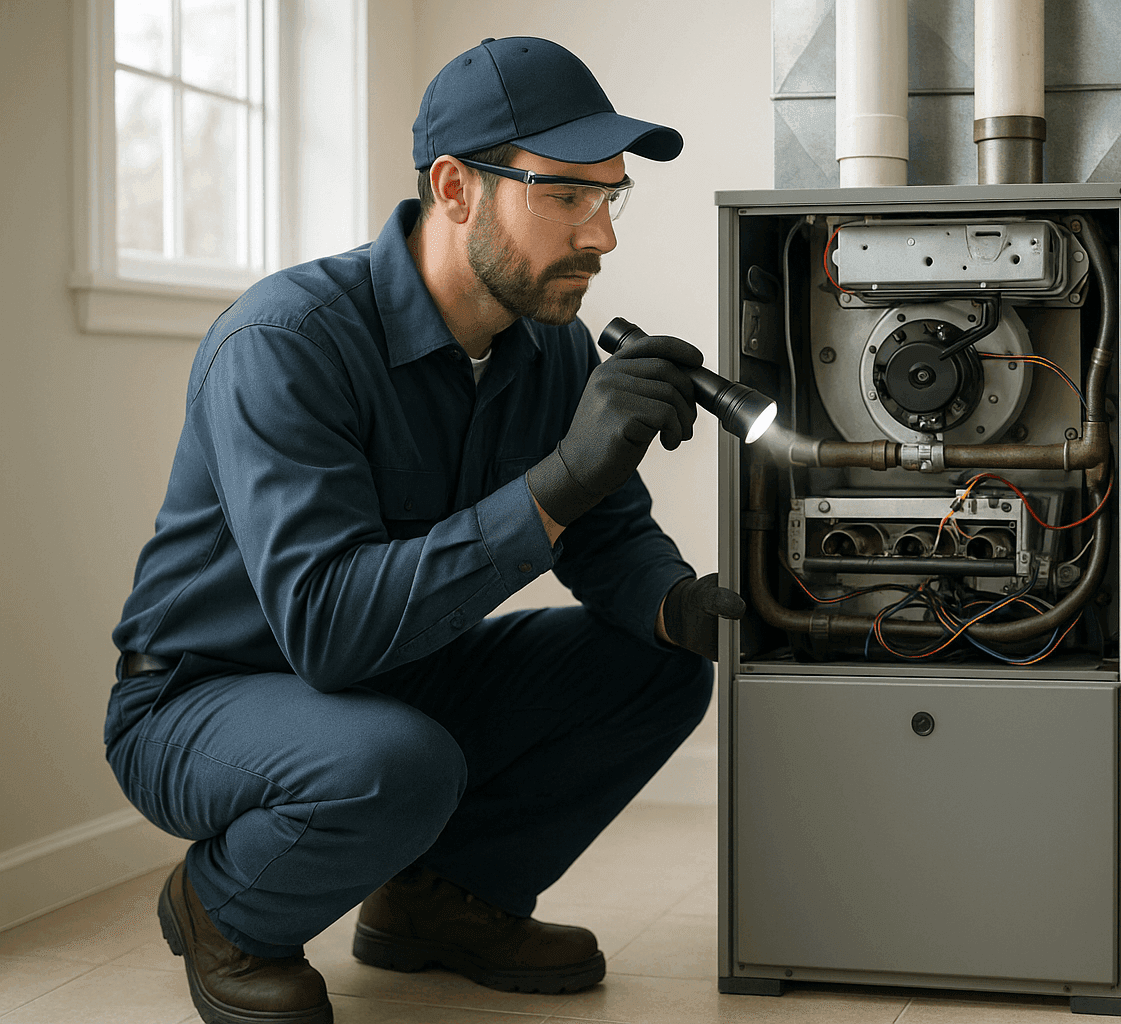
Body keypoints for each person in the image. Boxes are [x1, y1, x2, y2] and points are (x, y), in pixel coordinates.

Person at [103, 36, 743, 1024]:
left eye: (611, 197)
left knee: (656, 667)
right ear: (455, 188)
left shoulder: (551, 348)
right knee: (396, 763)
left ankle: (441, 902)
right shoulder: (287, 342)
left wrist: (682, 607)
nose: (602, 236)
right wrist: (559, 479)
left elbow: (608, 538)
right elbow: (327, 629)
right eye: (566, 195)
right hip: (205, 697)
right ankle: (224, 907)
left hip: (394, 680)